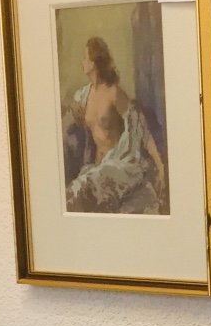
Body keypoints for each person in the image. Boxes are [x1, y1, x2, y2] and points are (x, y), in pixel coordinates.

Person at [65, 37, 168, 214]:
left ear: (95, 63)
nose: (82, 62)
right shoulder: (84, 94)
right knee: (76, 193)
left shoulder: (114, 93)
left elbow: (140, 128)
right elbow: (71, 113)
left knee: (80, 190)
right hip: (100, 165)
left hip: (120, 164)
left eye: (85, 58)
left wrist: (160, 166)